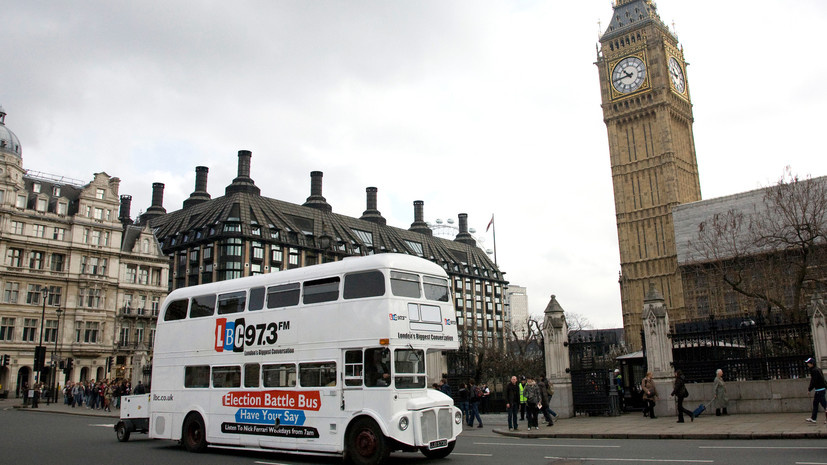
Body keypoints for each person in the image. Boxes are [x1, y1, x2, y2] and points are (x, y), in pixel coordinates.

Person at [805, 357, 827, 423]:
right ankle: (813, 418)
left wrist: (809, 389)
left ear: (812, 363)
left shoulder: (814, 370)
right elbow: (822, 379)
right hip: (821, 389)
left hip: (819, 390)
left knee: (824, 405)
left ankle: (814, 418)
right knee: (815, 404)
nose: (807, 364)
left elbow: (813, 381)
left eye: (808, 363)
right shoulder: (818, 369)